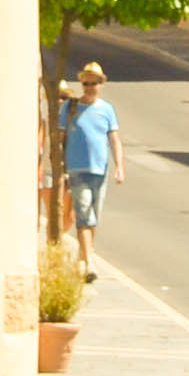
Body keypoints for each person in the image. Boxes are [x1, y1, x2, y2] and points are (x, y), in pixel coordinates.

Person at [55, 64, 120, 272]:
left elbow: (114, 139)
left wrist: (119, 166)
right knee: (84, 214)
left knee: (93, 217)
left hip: (100, 170)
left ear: (101, 84)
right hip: (76, 169)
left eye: (94, 83)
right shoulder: (70, 108)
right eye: (86, 83)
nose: (89, 87)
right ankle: (89, 261)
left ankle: (83, 258)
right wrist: (59, 165)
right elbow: (60, 136)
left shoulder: (107, 109)